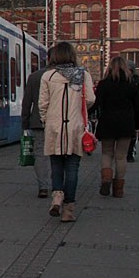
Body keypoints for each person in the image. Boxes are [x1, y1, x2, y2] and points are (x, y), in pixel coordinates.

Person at [38, 41, 96, 222]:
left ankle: (56, 197)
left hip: (54, 126)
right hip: (75, 127)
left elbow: (43, 104)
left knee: (56, 165)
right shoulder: (83, 75)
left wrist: (46, 120)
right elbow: (91, 99)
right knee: (72, 167)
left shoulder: (47, 76)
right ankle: (68, 210)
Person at [94, 57, 139, 198]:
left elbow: (97, 103)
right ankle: (118, 190)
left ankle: (106, 179)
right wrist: (138, 125)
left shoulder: (104, 84)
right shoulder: (131, 85)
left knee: (106, 153)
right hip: (126, 123)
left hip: (108, 122)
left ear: (109, 67)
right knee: (121, 156)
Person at [21, 48, 54, 198]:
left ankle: (43, 187)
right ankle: (58, 185)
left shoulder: (34, 77)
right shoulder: (66, 76)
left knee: (40, 153)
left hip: (38, 121)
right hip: (61, 122)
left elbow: (26, 102)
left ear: (47, 58)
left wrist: (25, 122)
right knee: (59, 153)